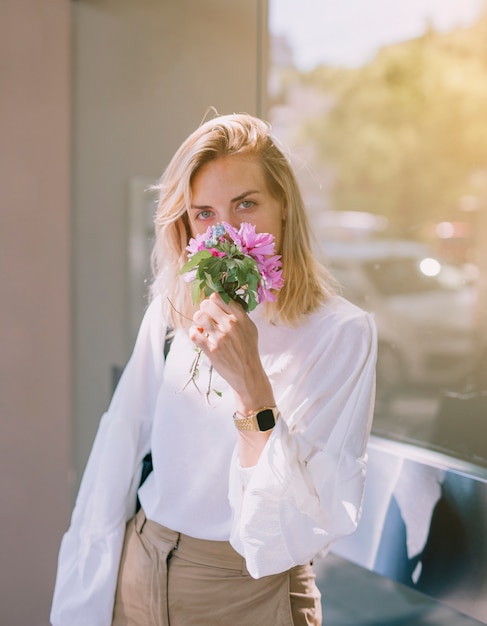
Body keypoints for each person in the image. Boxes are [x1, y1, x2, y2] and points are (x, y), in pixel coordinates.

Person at [51, 113, 377, 626]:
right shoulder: (174, 308)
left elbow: (314, 514)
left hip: (249, 592)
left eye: (246, 204)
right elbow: (121, 437)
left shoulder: (341, 332)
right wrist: (83, 595)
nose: (226, 232)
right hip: (139, 566)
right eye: (203, 214)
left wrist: (250, 381)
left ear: (284, 206)